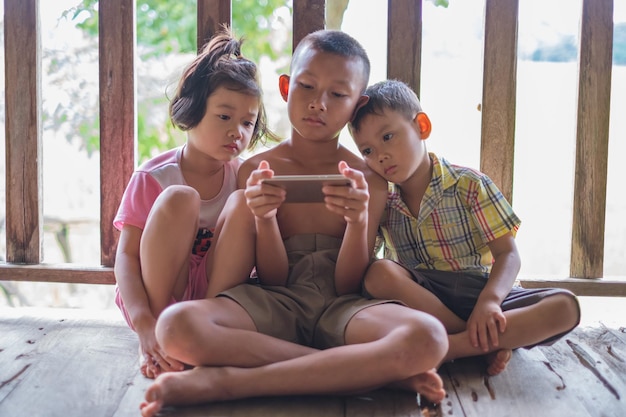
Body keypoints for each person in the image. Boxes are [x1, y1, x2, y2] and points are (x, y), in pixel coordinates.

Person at [138, 30, 449, 417]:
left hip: (345, 305)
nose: (318, 104)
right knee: (175, 327)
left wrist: (357, 221)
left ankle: (228, 382)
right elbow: (272, 279)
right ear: (286, 87)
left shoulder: (368, 178)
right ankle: (359, 371)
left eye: (338, 95)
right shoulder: (256, 168)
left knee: (429, 336)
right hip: (277, 299)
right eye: (306, 86)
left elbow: (349, 284)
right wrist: (265, 220)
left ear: (357, 104)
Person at [349, 79, 581, 376]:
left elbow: (508, 254)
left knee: (565, 306)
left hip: (480, 288)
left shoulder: (469, 185)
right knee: (379, 273)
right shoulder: (384, 201)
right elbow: (369, 265)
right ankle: (483, 343)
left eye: (388, 137)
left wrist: (490, 302)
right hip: (424, 300)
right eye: (367, 150)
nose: (380, 155)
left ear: (421, 126)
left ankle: (449, 348)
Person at [113, 27, 274, 379]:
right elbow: (125, 257)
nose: (238, 132)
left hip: (213, 294)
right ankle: (159, 341)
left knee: (246, 201)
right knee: (180, 198)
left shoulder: (239, 175)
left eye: (248, 122)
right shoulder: (154, 177)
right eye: (224, 116)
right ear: (193, 110)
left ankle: (206, 329)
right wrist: (143, 323)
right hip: (157, 292)